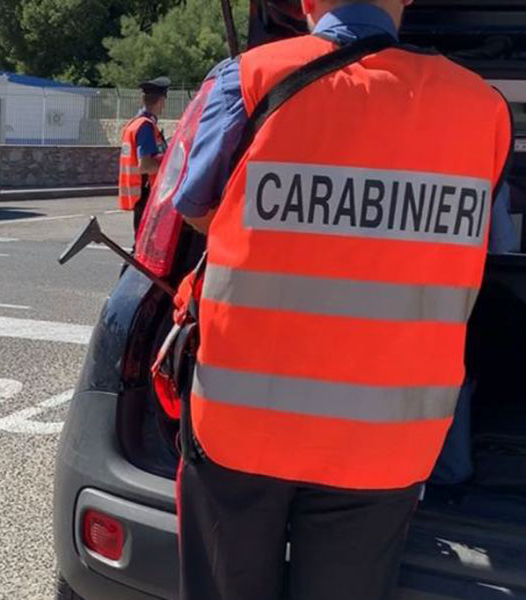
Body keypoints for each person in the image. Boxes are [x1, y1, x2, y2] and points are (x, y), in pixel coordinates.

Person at [167, 1, 514, 599]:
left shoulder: (251, 78)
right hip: (388, 441)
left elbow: (194, 209)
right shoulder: (484, 109)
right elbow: (494, 243)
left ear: (304, 1)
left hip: (242, 423)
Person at [118, 77, 170, 236]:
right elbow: (145, 165)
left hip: (137, 192)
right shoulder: (146, 126)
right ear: (161, 101)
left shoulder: (133, 124)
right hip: (146, 192)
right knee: (144, 241)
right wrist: (169, 163)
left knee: (140, 240)